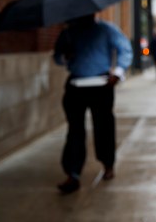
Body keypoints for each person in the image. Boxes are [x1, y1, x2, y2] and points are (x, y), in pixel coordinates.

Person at [52, 14, 133, 194]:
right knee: (75, 129)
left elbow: (125, 49)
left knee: (103, 126)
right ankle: (73, 173)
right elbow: (57, 56)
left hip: (102, 84)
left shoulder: (106, 29)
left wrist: (118, 72)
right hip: (76, 84)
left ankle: (108, 164)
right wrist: (65, 56)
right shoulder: (68, 33)